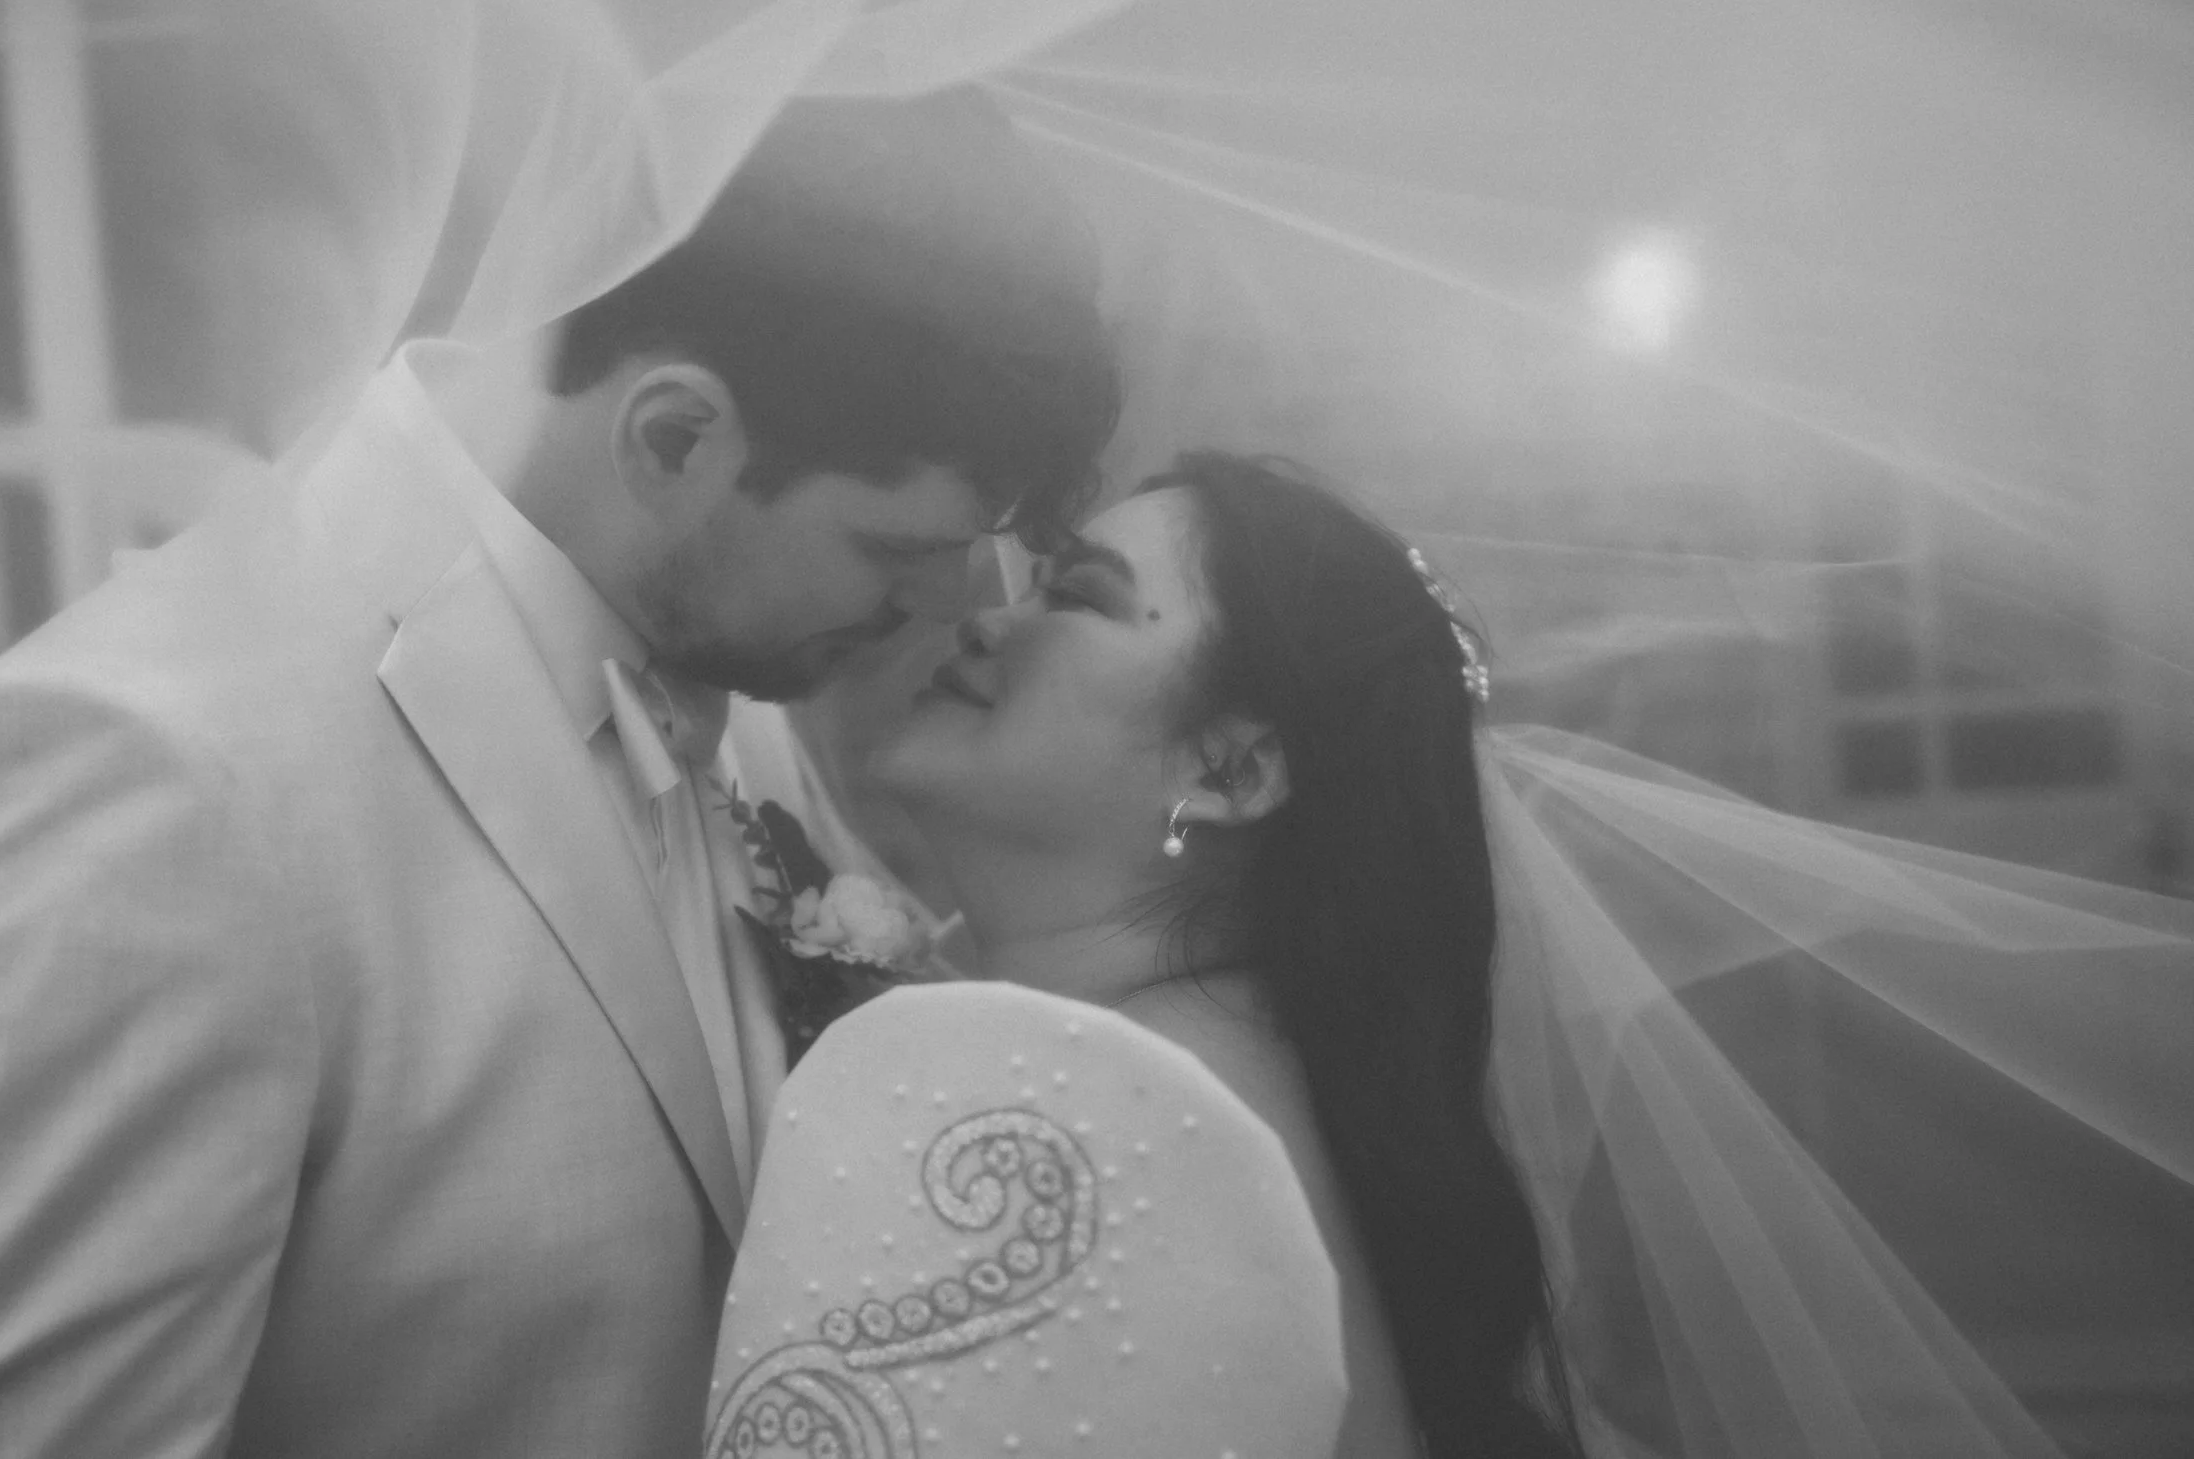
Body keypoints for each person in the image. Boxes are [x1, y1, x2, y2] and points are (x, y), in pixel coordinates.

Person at [0, 89, 1118, 1459]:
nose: (941, 613)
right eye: (895, 554)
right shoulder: (151, 766)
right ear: (673, 436)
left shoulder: (734, 681)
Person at [704, 451, 2192, 1458]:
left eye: (1080, 597)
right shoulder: (1270, 1084)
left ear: (1230, 766)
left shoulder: (1058, 1095)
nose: (986, 621)